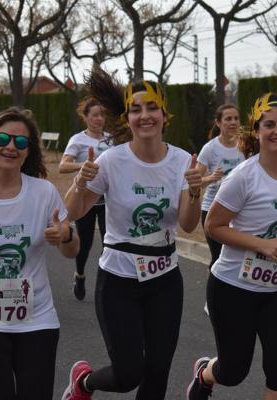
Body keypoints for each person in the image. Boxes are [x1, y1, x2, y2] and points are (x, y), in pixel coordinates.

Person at [61, 68, 202, 400]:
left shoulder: (183, 161)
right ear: (127, 117)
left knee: (156, 374)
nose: (145, 115)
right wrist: (80, 181)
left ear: (165, 115)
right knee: (127, 373)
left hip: (165, 280)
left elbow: (188, 224)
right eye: (136, 109)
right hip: (118, 279)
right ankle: (83, 383)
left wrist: (194, 192)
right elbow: (73, 211)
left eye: (152, 107)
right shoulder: (111, 161)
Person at [186, 91, 277, 400]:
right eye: (269, 124)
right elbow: (212, 226)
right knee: (233, 371)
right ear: (256, 131)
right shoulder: (243, 177)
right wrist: (261, 244)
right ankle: (205, 374)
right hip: (233, 287)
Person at [0, 107, 80, 400]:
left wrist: (65, 235)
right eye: (2, 138)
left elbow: (72, 250)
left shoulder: (44, 192)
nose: (11, 147)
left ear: (29, 152)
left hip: (37, 317)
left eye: (21, 142)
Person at [59, 97, 111, 300]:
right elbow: (63, 166)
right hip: (85, 200)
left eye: (102, 114)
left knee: (110, 243)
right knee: (86, 243)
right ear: (86, 117)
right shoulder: (78, 140)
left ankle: (105, 282)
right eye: (95, 115)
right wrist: (85, 165)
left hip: (108, 199)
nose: (99, 119)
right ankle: (80, 274)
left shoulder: (111, 139)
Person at [196, 104, 245, 314]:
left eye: (236, 118)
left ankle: (238, 298)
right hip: (213, 210)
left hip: (241, 212)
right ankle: (213, 299)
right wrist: (211, 178)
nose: (233, 122)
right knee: (219, 258)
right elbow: (195, 181)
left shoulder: (245, 145)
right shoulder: (210, 148)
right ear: (218, 123)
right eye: (228, 119)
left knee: (240, 257)